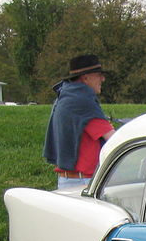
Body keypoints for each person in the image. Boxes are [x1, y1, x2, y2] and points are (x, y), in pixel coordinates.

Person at [43, 55, 116, 189]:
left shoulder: (66, 97)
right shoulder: (82, 100)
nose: (103, 79)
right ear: (85, 77)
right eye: (99, 75)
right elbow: (113, 139)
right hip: (83, 182)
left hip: (70, 180)